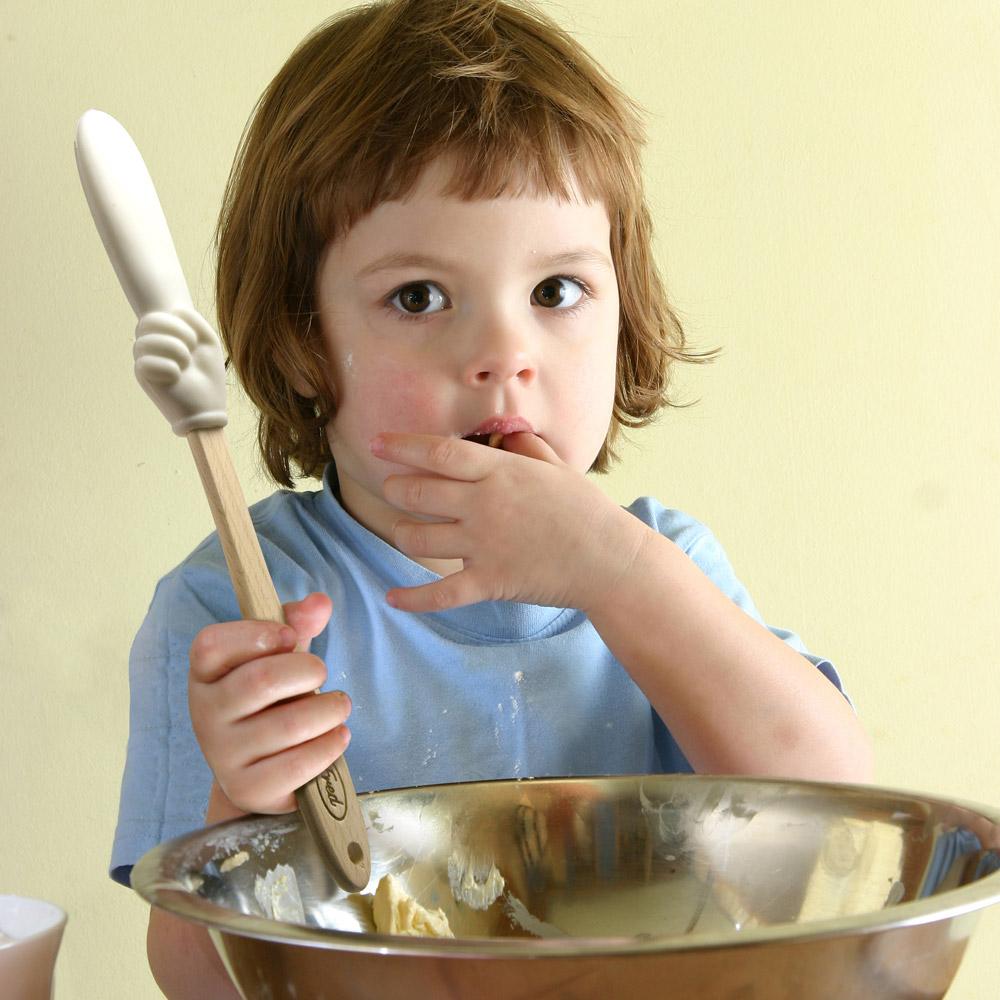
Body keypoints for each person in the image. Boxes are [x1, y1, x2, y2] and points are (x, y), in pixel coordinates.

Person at [119, 0, 873, 993]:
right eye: (420, 297)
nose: (503, 358)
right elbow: (194, 977)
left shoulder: (664, 569)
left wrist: (620, 572)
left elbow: (844, 828)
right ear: (304, 344)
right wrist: (235, 811)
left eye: (556, 291)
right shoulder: (240, 610)